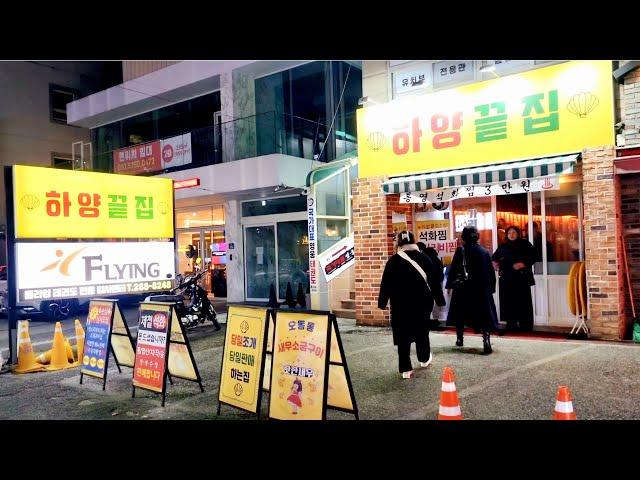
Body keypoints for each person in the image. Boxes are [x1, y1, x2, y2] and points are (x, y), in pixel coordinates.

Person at [378, 231, 446, 379]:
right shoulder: (424, 258)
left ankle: (405, 369)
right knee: (422, 331)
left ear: (399, 244)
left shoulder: (393, 261)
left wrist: (382, 303)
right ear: (413, 241)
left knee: (403, 336)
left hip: (400, 305)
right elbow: (434, 282)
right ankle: (423, 359)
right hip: (422, 303)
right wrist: (440, 300)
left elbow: (386, 284)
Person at [446, 226, 498, 354]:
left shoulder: (461, 251)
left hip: (463, 289)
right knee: (484, 317)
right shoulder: (484, 252)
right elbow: (490, 273)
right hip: (480, 290)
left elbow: (454, 269)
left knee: (460, 315)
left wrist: (450, 285)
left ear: (463, 237)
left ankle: (459, 339)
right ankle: (486, 341)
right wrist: (491, 288)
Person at [492, 225, 536, 332]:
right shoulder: (503, 246)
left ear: (518, 234)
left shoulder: (525, 244)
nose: (511, 235)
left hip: (522, 279)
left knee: (523, 303)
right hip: (508, 280)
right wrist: (495, 264)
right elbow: (494, 258)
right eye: (509, 233)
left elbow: (534, 256)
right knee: (509, 303)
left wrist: (523, 263)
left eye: (514, 233)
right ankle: (511, 325)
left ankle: (525, 325)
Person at [417, 242, 445, 330]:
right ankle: (435, 321)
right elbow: (441, 275)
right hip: (436, 285)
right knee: (435, 305)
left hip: (427, 286)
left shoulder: (423, 259)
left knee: (428, 305)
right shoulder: (436, 259)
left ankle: (430, 322)